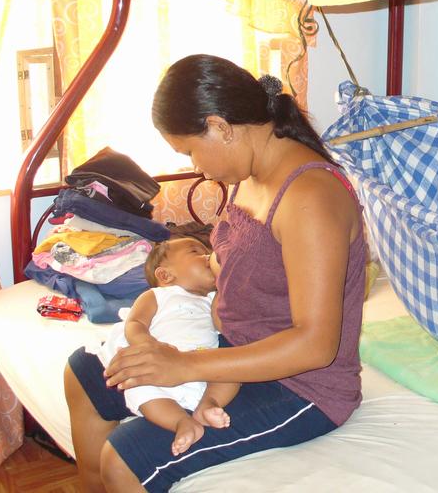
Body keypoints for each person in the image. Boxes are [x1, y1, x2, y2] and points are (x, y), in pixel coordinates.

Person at [64, 54, 367, 492]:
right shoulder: (252, 171)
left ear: (220, 126)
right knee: (84, 374)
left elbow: (316, 345)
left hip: (298, 385)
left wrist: (185, 365)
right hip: (233, 351)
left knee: (124, 459)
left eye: (189, 150)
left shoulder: (310, 197)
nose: (195, 166)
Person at [87, 236, 238, 457]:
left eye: (208, 251)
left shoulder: (213, 299)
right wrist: (148, 345)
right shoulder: (157, 295)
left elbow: (223, 326)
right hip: (157, 366)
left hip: (200, 364)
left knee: (232, 372)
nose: (208, 256)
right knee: (136, 386)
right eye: (195, 252)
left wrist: (222, 287)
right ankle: (181, 422)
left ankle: (208, 404)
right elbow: (135, 323)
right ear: (165, 275)